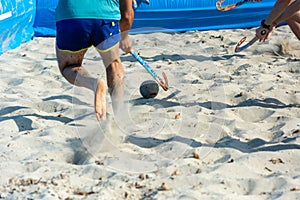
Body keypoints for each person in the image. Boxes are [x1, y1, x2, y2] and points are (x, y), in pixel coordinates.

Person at [55, 0, 134, 121]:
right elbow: (127, 15)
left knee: (69, 66)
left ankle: (93, 83)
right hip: (106, 18)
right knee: (113, 64)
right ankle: (120, 117)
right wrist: (124, 36)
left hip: (71, 15)